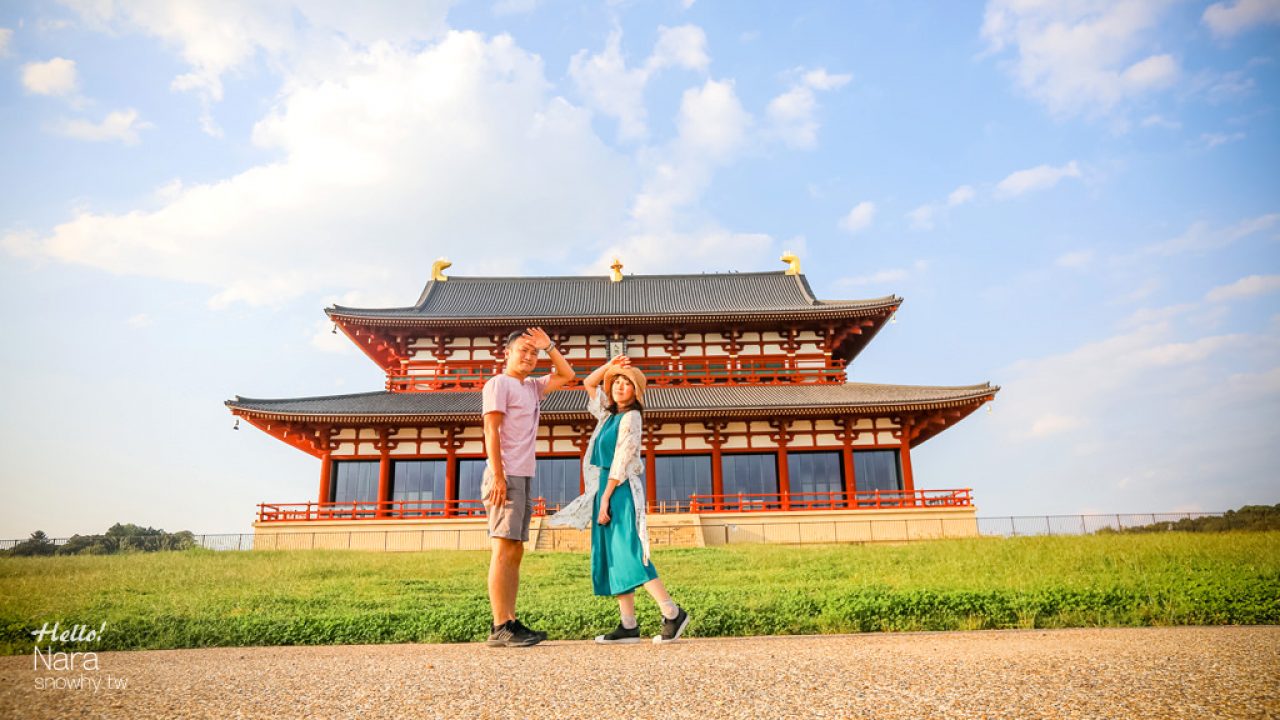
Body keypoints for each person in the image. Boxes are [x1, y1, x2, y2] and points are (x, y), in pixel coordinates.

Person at [549, 355, 690, 644]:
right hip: (605, 486)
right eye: (616, 383)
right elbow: (588, 382)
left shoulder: (631, 417)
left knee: (629, 552)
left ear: (636, 392)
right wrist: (611, 366)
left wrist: (605, 500)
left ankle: (672, 612)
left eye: (627, 384)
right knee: (612, 555)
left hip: (620, 488)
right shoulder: (607, 414)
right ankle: (628, 624)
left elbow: (621, 460)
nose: (620, 387)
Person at [482, 327, 575, 647]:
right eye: (523, 350)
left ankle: (510, 619)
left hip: (522, 475)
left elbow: (568, 374)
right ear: (506, 353)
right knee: (503, 549)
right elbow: (491, 431)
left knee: (516, 550)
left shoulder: (533, 388)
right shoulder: (498, 384)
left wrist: (549, 346)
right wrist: (497, 475)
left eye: (533, 353)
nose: (529, 356)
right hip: (504, 474)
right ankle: (499, 626)